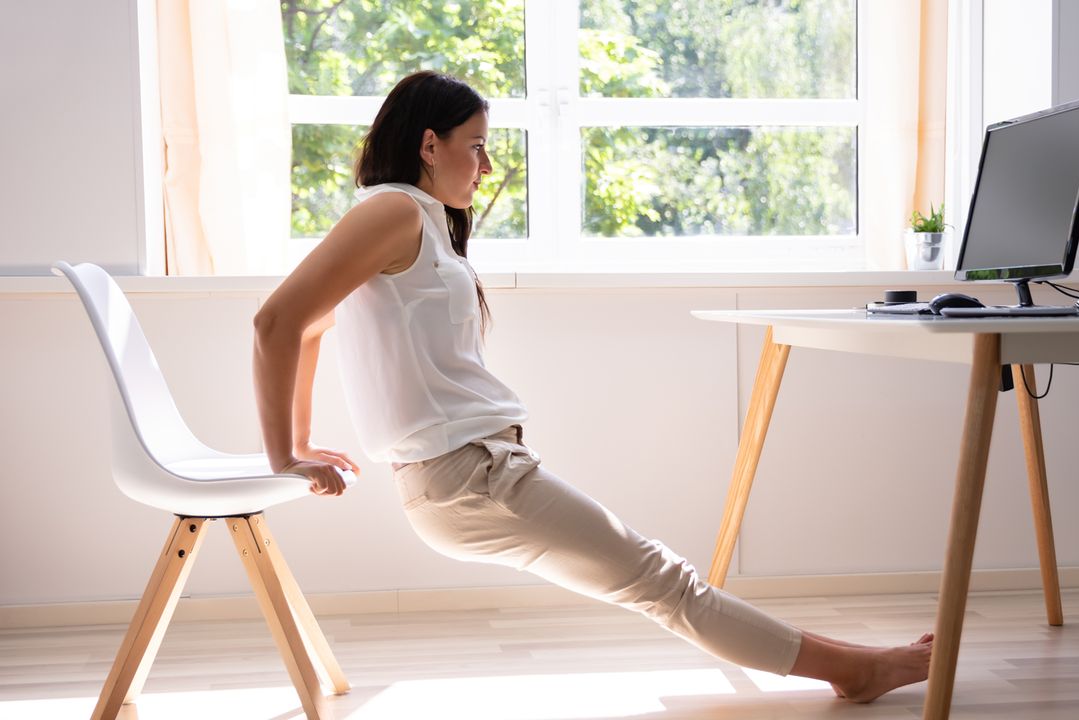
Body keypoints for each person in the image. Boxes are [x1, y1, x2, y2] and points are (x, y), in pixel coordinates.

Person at [253, 70, 932, 703]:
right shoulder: (395, 210)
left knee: (662, 583)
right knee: (668, 586)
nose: (486, 168)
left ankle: (855, 665)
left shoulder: (413, 218)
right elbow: (277, 321)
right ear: (429, 144)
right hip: (468, 475)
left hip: (472, 473)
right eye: (477, 146)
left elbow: (309, 327)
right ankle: (859, 671)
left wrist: (305, 438)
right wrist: (286, 453)